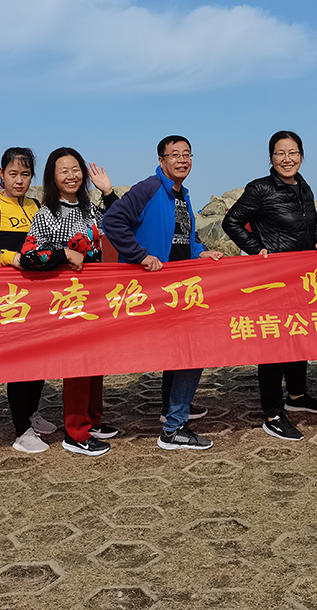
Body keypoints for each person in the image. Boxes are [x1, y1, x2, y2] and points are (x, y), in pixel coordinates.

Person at [102, 135, 224, 451]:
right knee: (192, 350)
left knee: (182, 351)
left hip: (179, 289)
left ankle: (172, 409)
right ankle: (174, 428)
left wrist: (201, 252)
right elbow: (113, 220)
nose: (182, 160)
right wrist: (140, 255)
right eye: (174, 155)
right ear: (161, 160)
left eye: (187, 154)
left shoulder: (182, 194)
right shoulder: (150, 188)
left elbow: (184, 238)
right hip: (153, 289)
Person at [222, 130, 317, 441]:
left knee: (299, 335)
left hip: (303, 278)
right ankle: (272, 412)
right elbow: (231, 222)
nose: (287, 159)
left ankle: (297, 395)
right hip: (273, 281)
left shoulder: (304, 187)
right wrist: (257, 249)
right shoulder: (260, 189)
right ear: (271, 157)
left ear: (301, 156)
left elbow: (309, 225)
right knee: (275, 344)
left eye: (293, 152)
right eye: (280, 153)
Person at [20, 147, 120, 456]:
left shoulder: (90, 209)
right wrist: (63, 253)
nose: (71, 175)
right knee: (79, 365)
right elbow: (29, 256)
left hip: (96, 299)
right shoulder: (47, 214)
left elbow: (121, 224)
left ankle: (93, 420)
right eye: (63, 170)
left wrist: (109, 193)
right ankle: (76, 433)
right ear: (52, 177)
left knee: (96, 363)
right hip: (69, 302)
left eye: (76, 169)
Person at [0, 147, 58, 454]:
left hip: (40, 299)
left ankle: (31, 413)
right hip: (11, 302)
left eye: (25, 174)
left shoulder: (37, 207)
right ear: (1, 174)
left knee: (40, 360)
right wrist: (13, 258)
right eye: (13, 174)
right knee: (21, 364)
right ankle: (22, 431)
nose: (19, 181)